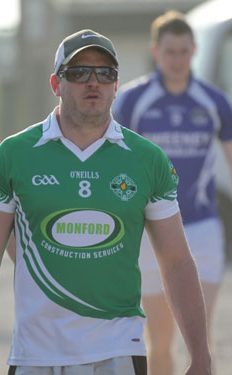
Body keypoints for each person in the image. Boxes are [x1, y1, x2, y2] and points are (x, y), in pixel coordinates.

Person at [0, 29, 212, 375]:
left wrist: (201, 357)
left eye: (105, 73)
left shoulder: (148, 159)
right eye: (78, 73)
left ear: (116, 84)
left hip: (117, 350)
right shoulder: (15, 153)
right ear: (55, 84)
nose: (94, 82)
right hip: (35, 354)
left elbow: (177, 261)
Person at [112, 11, 232, 375]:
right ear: (156, 51)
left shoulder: (214, 101)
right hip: (151, 234)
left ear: (194, 51)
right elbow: (116, 166)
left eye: (184, 51)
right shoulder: (133, 100)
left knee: (200, 343)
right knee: (159, 343)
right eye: (170, 51)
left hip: (202, 228)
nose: (177, 59)